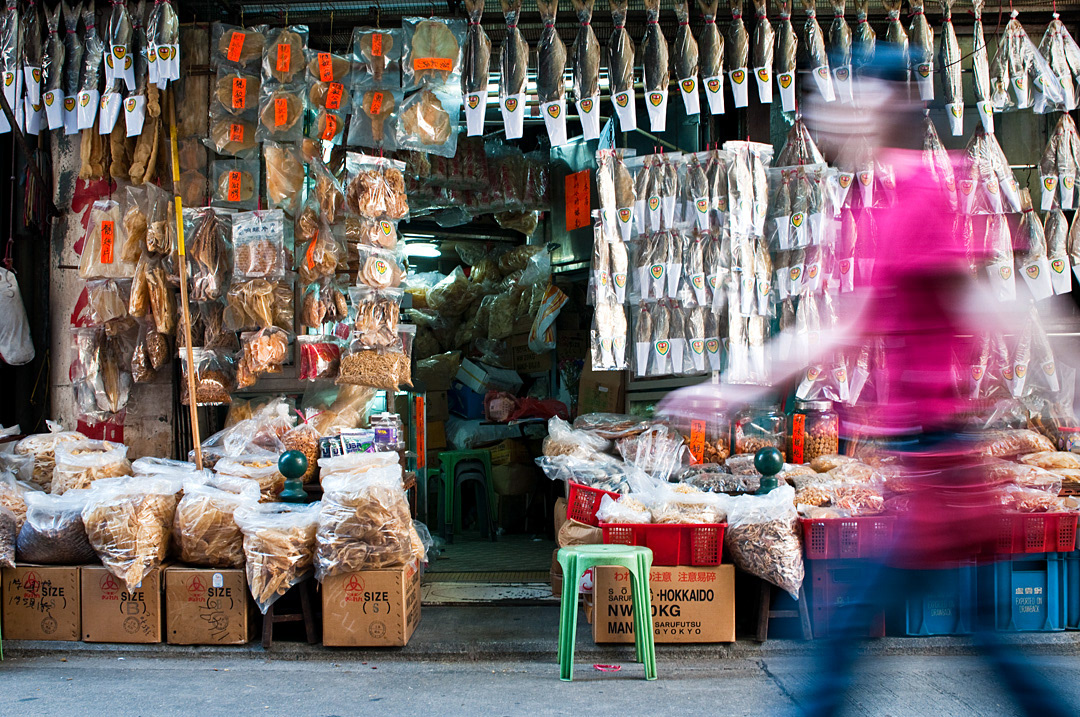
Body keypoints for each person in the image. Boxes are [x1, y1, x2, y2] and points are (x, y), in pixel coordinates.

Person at [659, 46, 1070, 716]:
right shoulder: (881, 195)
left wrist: (736, 386)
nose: (832, 111)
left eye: (849, 95)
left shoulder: (918, 192)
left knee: (849, 640)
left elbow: (940, 310)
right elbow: (855, 324)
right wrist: (736, 386)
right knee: (984, 647)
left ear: (884, 105)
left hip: (937, 463)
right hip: (927, 461)